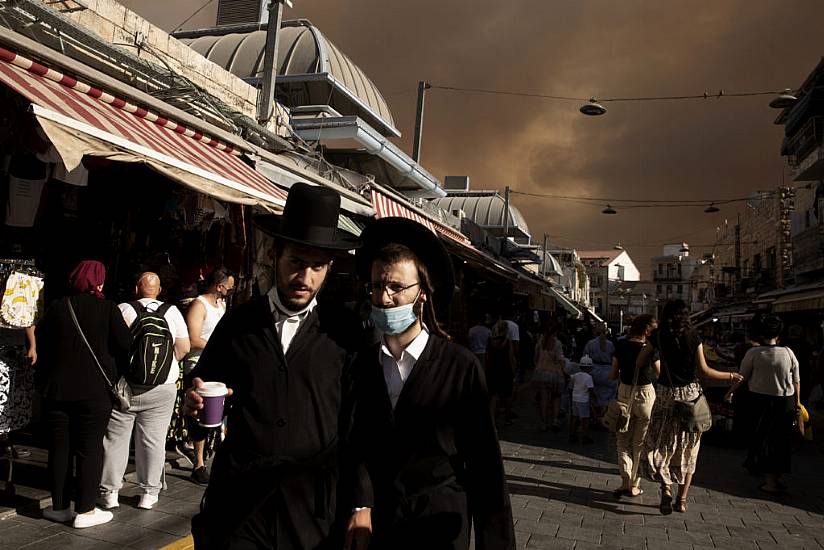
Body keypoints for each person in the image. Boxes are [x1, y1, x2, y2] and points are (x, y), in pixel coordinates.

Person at [183, 182, 363, 549]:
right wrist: (193, 406)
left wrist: (362, 502)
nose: (305, 277)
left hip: (312, 511)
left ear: (329, 268)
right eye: (297, 262)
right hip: (240, 504)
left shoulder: (344, 332)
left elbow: (357, 425)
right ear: (275, 254)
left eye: (317, 266)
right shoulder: (238, 324)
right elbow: (206, 395)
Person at [348, 217, 515, 549]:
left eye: (396, 287)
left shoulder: (459, 367)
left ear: (421, 294)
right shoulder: (361, 364)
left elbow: (485, 467)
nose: (384, 298)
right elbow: (353, 443)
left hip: (438, 526)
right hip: (377, 526)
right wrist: (359, 502)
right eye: (377, 286)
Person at [35, 260, 131, 528]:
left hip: (56, 391)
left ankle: (59, 507)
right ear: (97, 282)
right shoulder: (108, 308)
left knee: (60, 449)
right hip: (94, 392)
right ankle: (86, 511)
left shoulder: (57, 307)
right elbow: (125, 344)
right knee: (89, 449)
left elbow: (42, 342)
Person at [640, 299, 743, 515]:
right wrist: (732, 376)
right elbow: (705, 371)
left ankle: (666, 489)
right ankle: (682, 500)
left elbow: (642, 360)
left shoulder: (658, 336)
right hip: (691, 397)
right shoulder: (693, 336)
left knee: (663, 444)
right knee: (689, 448)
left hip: (666, 396)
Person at [98, 272, 190, 510]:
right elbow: (184, 347)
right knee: (153, 441)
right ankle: (149, 493)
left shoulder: (123, 309)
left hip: (126, 387)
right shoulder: (172, 312)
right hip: (163, 387)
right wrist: (164, 368)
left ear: (136, 289)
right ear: (158, 290)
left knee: (115, 440)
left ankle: (110, 493)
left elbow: (109, 348)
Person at [726, 315, 800, 493]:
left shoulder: (754, 353)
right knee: (781, 440)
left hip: (760, 401)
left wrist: (729, 391)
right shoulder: (789, 352)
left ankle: (769, 482)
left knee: (763, 438)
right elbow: (796, 380)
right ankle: (776, 477)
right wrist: (797, 403)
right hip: (786, 401)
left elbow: (741, 377)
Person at [183, 267, 234, 485]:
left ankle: (212, 454)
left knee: (217, 412)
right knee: (200, 414)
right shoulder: (199, 305)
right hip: (199, 365)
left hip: (220, 366)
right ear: (219, 285)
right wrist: (217, 348)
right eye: (229, 286)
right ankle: (199, 463)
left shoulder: (221, 305)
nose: (230, 290)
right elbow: (193, 338)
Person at [609, 314, 660, 498]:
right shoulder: (651, 348)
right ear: (647, 331)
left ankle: (625, 481)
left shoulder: (621, 345)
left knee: (622, 441)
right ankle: (634, 485)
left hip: (625, 393)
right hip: (646, 396)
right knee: (640, 443)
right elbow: (659, 373)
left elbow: (613, 375)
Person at [532, 323, 566, 432]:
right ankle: (554, 421)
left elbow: (535, 357)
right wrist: (564, 370)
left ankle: (543, 422)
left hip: (541, 373)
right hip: (554, 373)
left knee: (544, 398)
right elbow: (560, 359)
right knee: (556, 397)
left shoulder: (540, 342)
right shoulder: (557, 343)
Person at [584, 324, 617, 424]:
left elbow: (585, 356)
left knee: (595, 396)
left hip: (594, 371)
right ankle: (604, 418)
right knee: (608, 398)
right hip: (608, 372)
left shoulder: (590, 343)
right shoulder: (610, 344)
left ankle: (595, 417)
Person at [485, 320, 517, 425]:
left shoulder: (489, 340)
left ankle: (492, 419)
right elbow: (510, 357)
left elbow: (487, 357)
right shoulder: (507, 341)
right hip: (505, 369)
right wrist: (513, 371)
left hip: (492, 369)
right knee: (507, 395)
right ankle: (507, 417)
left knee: (493, 396)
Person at [569, 356, 595, 444]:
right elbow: (591, 389)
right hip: (583, 400)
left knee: (574, 417)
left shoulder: (575, 376)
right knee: (585, 419)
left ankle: (572, 435)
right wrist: (595, 399)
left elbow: (571, 385)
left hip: (575, 399)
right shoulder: (588, 377)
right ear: (590, 368)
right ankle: (585, 436)